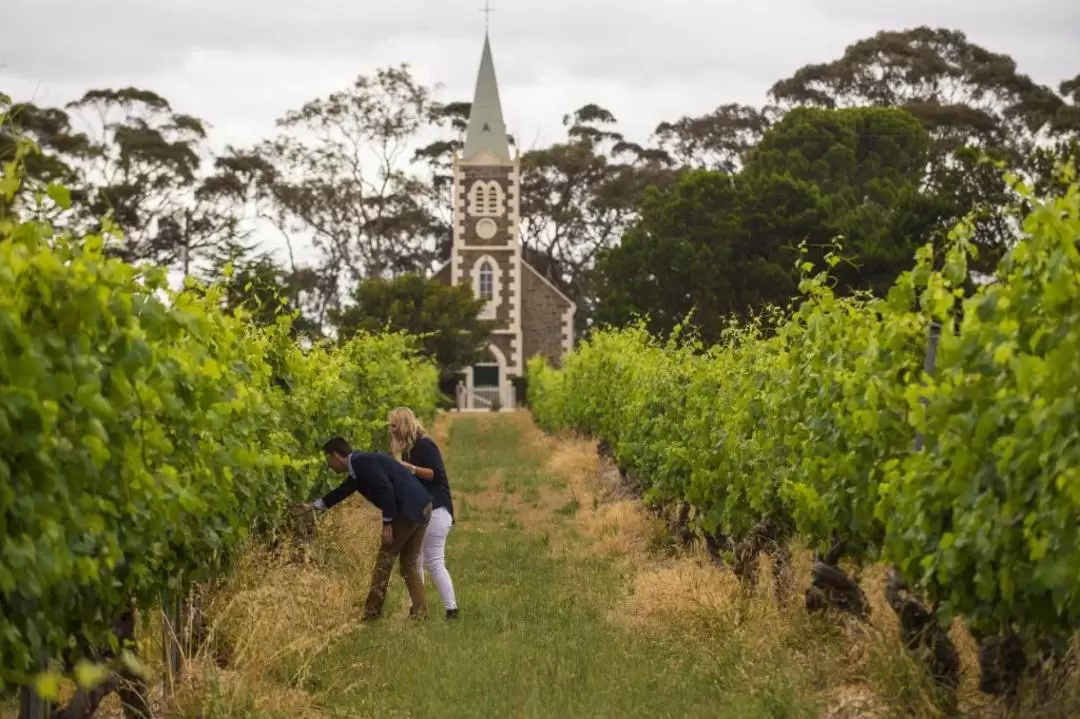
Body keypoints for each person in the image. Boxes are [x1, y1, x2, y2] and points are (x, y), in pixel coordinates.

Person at [309, 436, 433, 621]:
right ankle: (421, 613)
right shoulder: (360, 464)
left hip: (408, 510)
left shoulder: (362, 464)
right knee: (409, 563)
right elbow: (344, 490)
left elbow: (386, 490)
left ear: (336, 455)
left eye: (329, 459)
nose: (329, 464)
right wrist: (314, 506)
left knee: (385, 559)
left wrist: (388, 523)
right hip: (423, 505)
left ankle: (371, 613)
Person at [389, 407, 459, 620]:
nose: (390, 430)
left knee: (432, 560)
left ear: (402, 424)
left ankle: (451, 609)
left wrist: (408, 468)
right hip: (426, 512)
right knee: (416, 560)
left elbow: (434, 474)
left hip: (437, 510)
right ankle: (417, 609)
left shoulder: (425, 445)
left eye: (393, 425)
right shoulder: (411, 448)